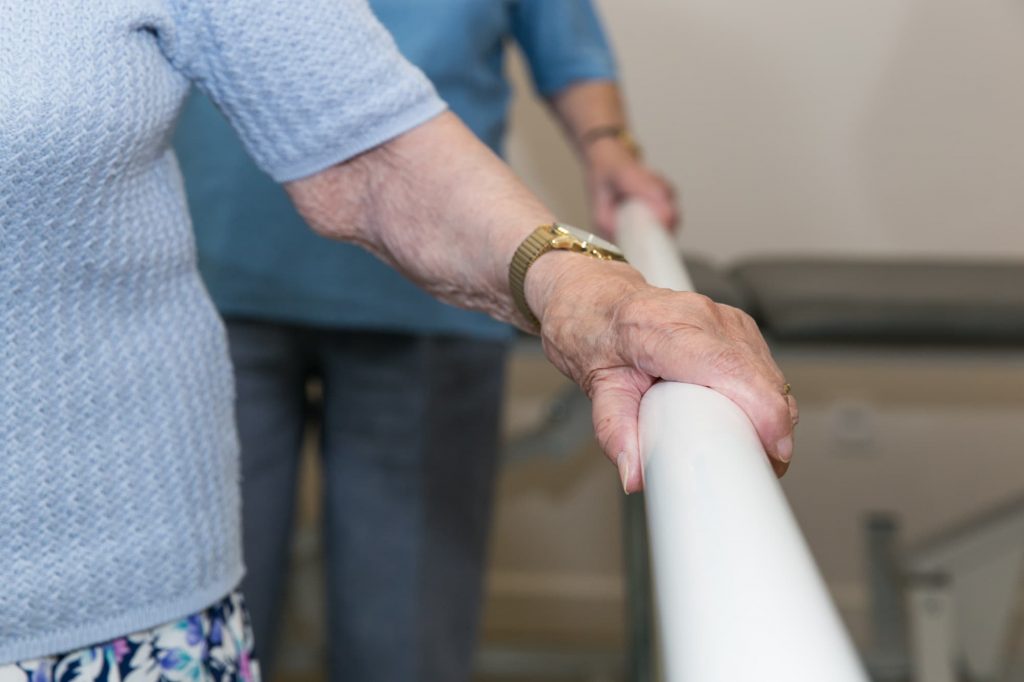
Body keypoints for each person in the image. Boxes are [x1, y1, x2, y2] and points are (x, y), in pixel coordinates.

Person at [0, 1, 797, 681]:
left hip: (402, 320)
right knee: (264, 575)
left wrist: (593, 290)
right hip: (236, 280)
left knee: (403, 629)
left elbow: (382, 153)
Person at [171, 2, 676, 680]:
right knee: (201, 625)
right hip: (215, 279)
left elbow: (566, 40)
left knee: (403, 638)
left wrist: (608, 146)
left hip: (427, 304)